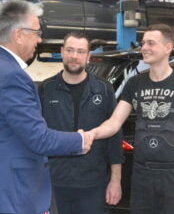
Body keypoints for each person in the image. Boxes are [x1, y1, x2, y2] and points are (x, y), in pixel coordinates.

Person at [0, 0, 92, 214]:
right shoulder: (12, 76)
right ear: (19, 34)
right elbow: (39, 139)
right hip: (5, 191)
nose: (39, 39)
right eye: (36, 32)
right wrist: (80, 140)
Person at [89, 24, 174, 214]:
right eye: (143, 43)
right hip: (143, 175)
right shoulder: (134, 83)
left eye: (151, 43)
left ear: (168, 47)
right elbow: (114, 122)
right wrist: (90, 134)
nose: (144, 47)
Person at [39, 31, 124, 214]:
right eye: (70, 50)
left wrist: (115, 180)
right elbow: (36, 137)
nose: (74, 57)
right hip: (54, 183)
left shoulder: (104, 89)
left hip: (93, 184)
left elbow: (115, 139)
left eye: (80, 51)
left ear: (88, 56)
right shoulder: (46, 89)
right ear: (61, 52)